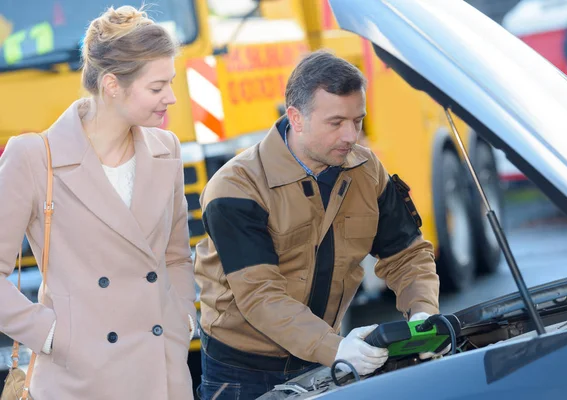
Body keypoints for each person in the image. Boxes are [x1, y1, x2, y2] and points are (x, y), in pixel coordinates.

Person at [194, 50, 444, 400]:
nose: (351, 136)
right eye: (336, 122)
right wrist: (337, 349)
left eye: (358, 120)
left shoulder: (366, 169)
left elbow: (408, 255)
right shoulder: (236, 187)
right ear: (295, 118)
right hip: (242, 372)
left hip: (321, 358)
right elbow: (260, 296)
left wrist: (422, 315)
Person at [0, 6, 196, 399]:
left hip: (163, 373)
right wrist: (53, 335)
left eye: (170, 83)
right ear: (112, 85)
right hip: (80, 380)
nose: (171, 98)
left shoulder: (165, 147)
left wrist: (182, 320)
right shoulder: (35, 157)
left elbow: (176, 256)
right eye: (157, 88)